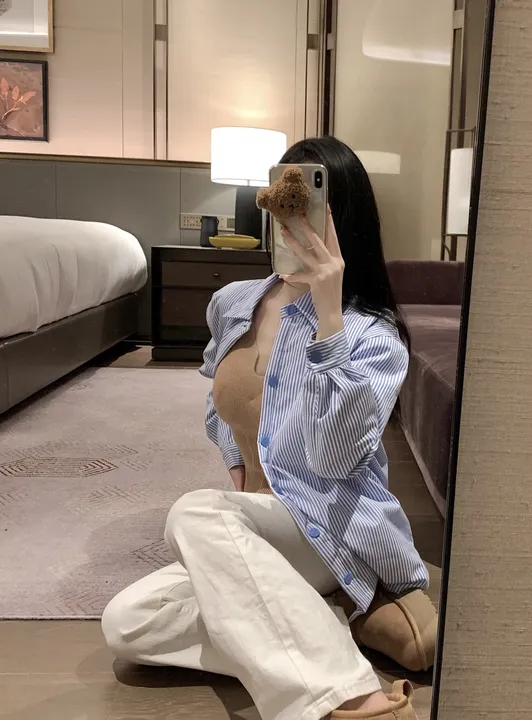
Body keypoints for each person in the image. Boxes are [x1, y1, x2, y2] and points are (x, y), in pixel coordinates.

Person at [101, 137, 431, 720]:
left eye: (308, 207)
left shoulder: (371, 334)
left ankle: (354, 697)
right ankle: (315, 622)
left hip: (330, 527)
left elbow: (333, 458)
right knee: (128, 622)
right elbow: (219, 397)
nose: (292, 222)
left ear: (339, 217)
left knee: (197, 512)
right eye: (283, 204)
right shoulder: (235, 302)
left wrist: (328, 313)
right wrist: (237, 465)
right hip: (257, 526)